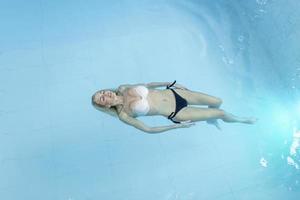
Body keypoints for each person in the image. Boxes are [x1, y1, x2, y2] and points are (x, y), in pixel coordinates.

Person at [91, 81, 257, 133]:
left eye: (103, 92)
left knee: (217, 101)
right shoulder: (124, 114)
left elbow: (148, 84)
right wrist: (176, 126)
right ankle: (243, 120)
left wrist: (170, 83)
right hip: (177, 112)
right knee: (221, 113)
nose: (106, 94)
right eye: (102, 98)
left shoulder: (123, 88)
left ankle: (210, 120)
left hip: (176, 93)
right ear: (104, 105)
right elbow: (148, 130)